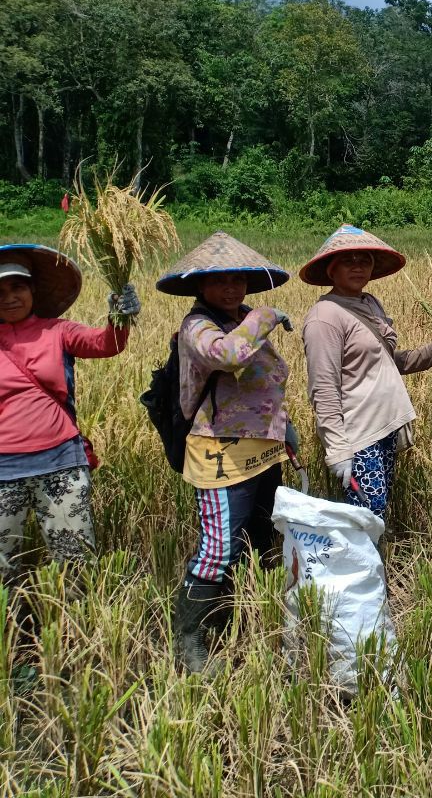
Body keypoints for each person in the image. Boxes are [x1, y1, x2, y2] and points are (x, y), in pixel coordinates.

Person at [158, 232, 297, 673]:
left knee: (259, 537)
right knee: (218, 548)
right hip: (219, 451)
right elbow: (230, 356)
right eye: (220, 281)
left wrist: (286, 429)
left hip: (263, 448)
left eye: (238, 280)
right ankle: (190, 640)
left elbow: (265, 382)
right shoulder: (197, 327)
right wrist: (267, 315)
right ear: (201, 286)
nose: (231, 288)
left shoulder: (242, 316)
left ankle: (243, 618)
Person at [0, 244, 138, 581]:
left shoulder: (58, 331)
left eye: (17, 287)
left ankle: (74, 631)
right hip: (3, 469)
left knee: (75, 563)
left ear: (33, 289)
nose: (9, 297)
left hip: (61, 462)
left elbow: (107, 344)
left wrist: (119, 316)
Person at [300, 225, 432, 520]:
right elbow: (324, 388)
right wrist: (338, 451)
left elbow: (386, 363)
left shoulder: (369, 303)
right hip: (358, 437)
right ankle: (358, 565)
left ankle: (373, 564)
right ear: (331, 269)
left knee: (377, 510)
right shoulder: (325, 318)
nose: (358, 266)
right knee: (367, 514)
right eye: (348, 260)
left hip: (384, 427)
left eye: (365, 259)